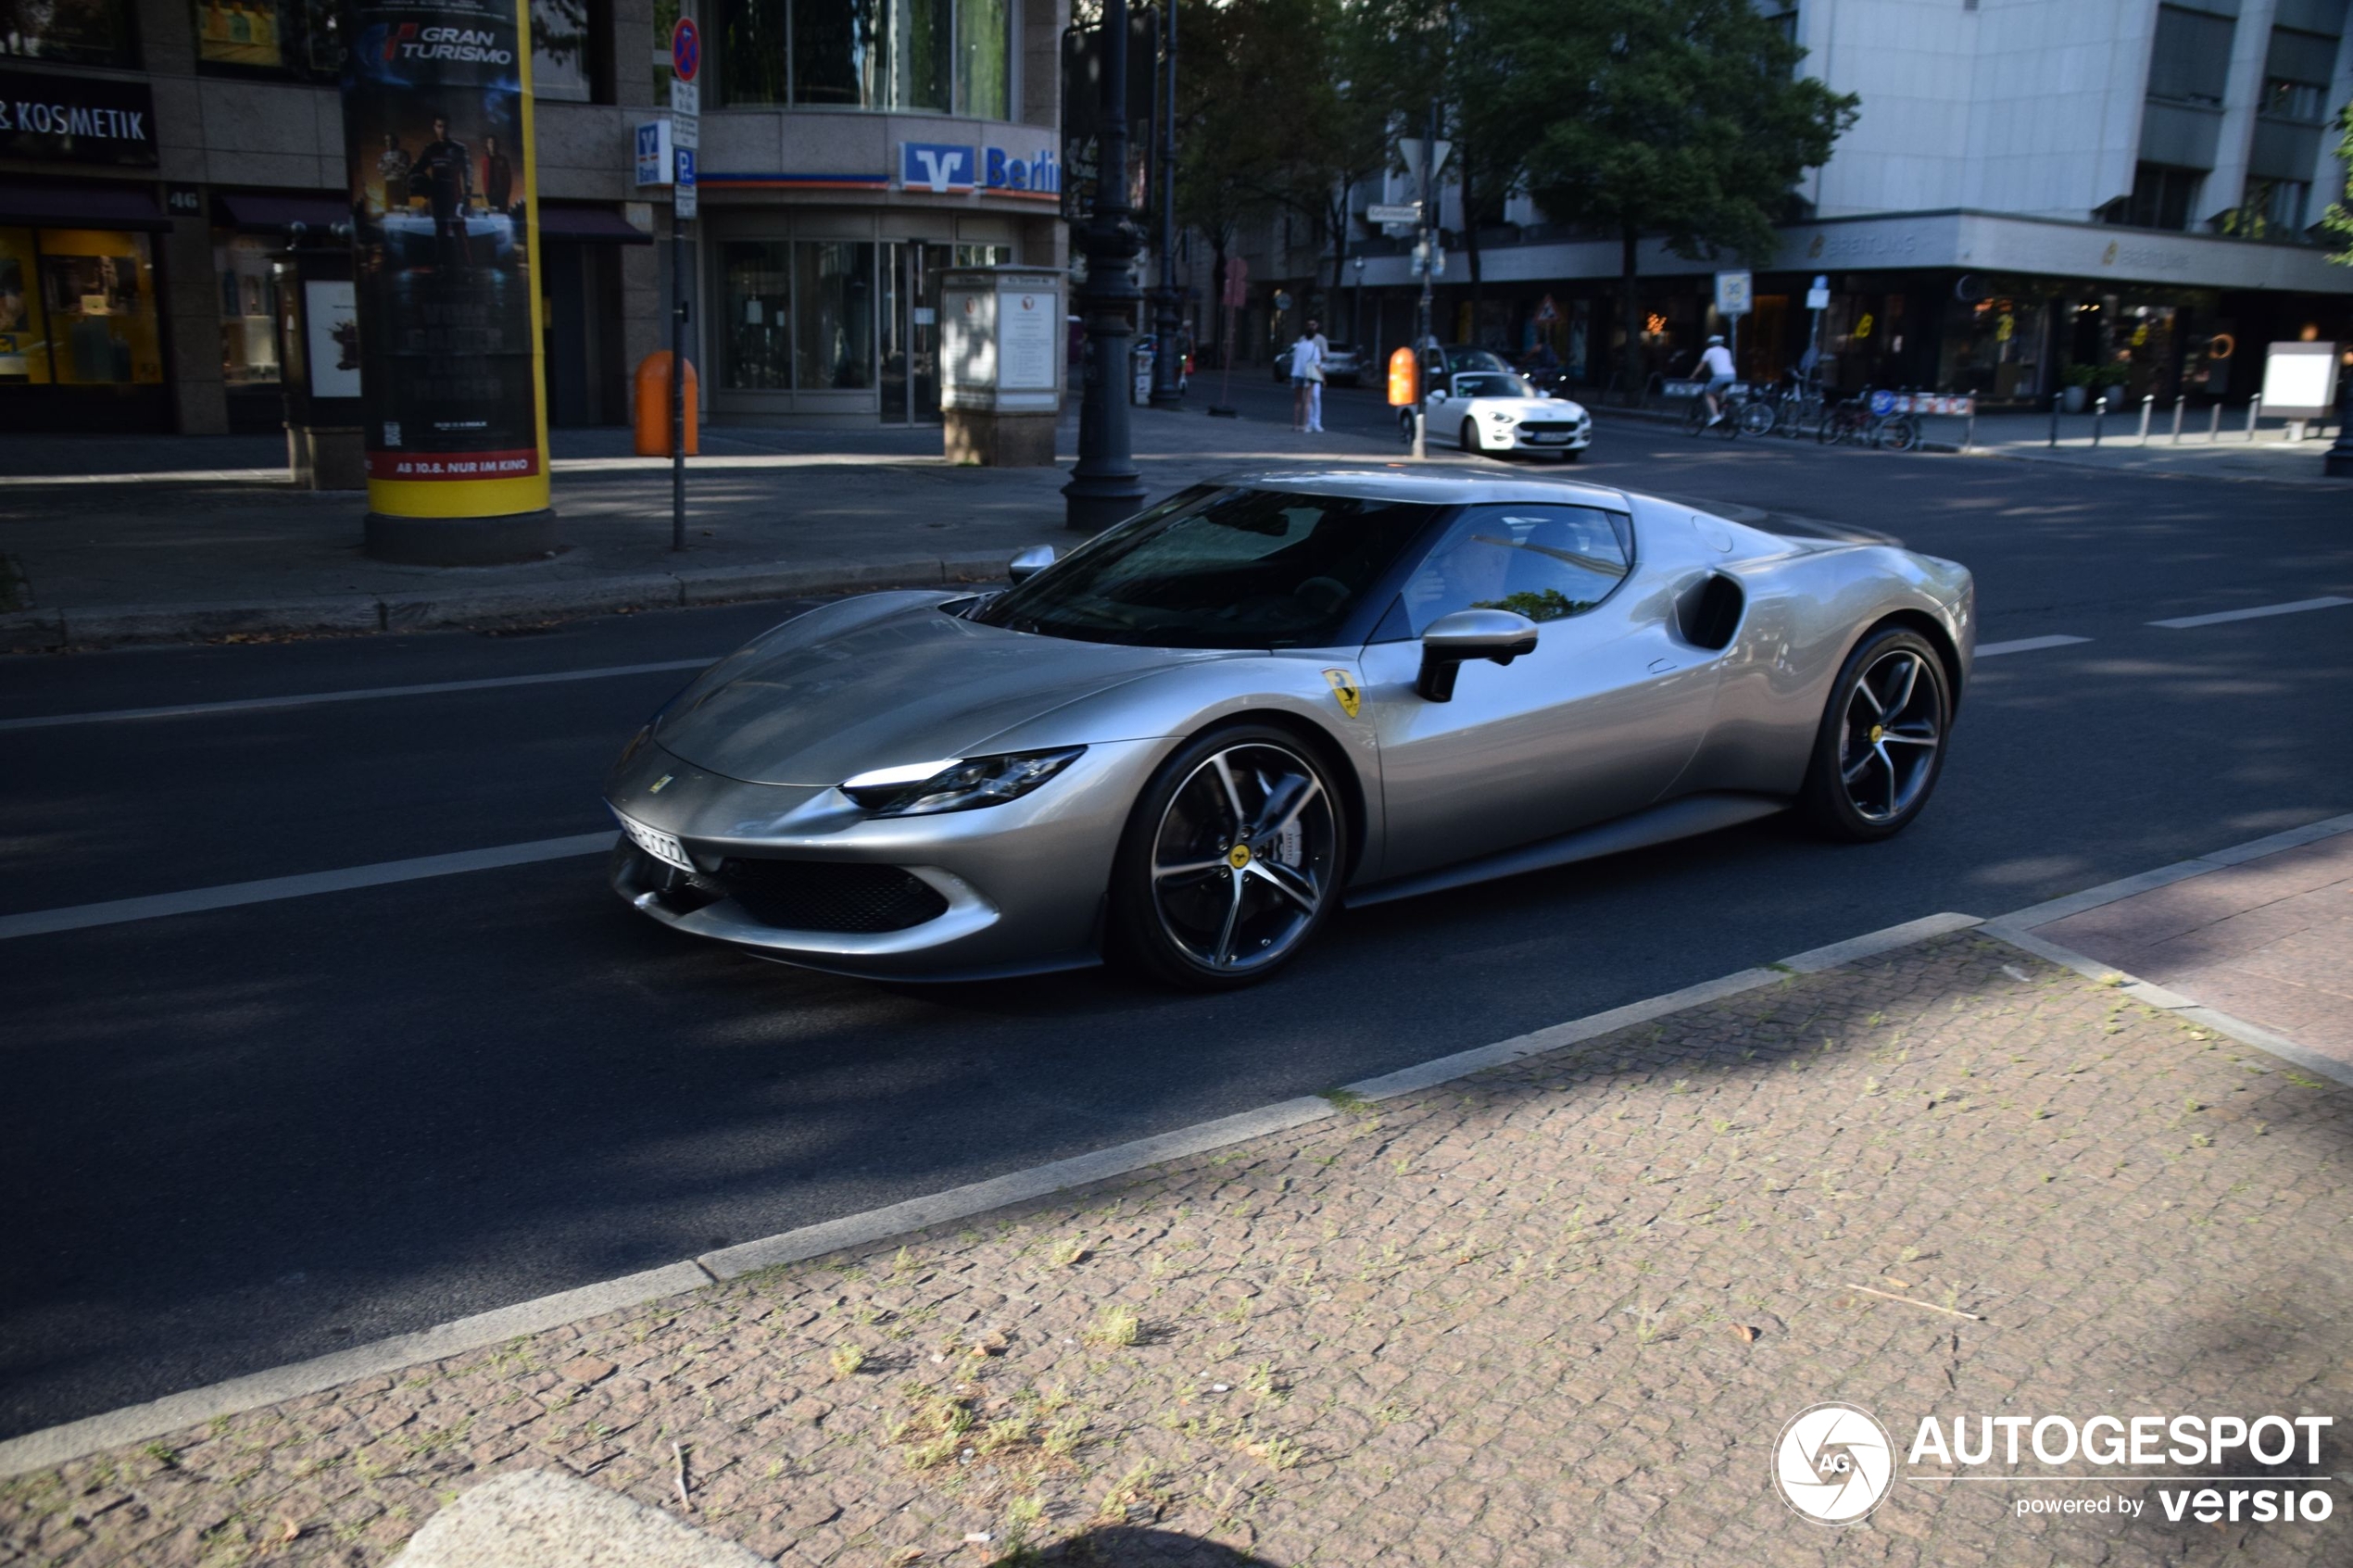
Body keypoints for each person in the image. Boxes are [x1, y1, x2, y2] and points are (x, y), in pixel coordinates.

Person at [413, 114, 474, 270]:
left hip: (455, 194)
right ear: (435, 128)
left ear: (449, 128)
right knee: (440, 230)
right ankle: (443, 263)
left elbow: (468, 173)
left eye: (445, 126)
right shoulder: (431, 149)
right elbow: (417, 169)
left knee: (459, 229)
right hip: (438, 194)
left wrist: (466, 196)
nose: (442, 130)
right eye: (439, 126)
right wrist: (424, 187)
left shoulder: (459, 149)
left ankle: (467, 265)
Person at [1287, 325, 1323, 432]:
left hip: (1297, 374)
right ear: (1313, 336)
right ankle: (1305, 425)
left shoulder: (1298, 346)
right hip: (1308, 375)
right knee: (1307, 401)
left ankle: (1295, 424)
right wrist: (1322, 376)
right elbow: (1317, 363)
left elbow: (1294, 358)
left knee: (1297, 401)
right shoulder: (1314, 347)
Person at [1695, 332, 1737, 424]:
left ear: (1711, 343)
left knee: (1708, 394)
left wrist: (1693, 375)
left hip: (1720, 376)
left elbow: (1701, 365)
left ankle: (1715, 416)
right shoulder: (1727, 351)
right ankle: (1723, 409)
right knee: (1721, 390)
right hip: (1732, 375)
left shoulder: (1709, 351)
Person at [376, 132, 411, 214]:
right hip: (389, 183)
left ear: (396, 141)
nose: (388, 143)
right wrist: (392, 166)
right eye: (386, 141)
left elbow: (404, 167)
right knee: (390, 207)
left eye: (391, 141)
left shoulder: (403, 154)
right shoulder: (383, 156)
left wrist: (393, 166)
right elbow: (381, 169)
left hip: (401, 183)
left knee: (402, 207)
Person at [1305, 318, 1329, 433]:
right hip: (1305, 370)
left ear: (1317, 326)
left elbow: (1325, 355)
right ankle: (1309, 422)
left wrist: (1315, 358)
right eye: (1309, 324)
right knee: (1307, 398)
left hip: (1316, 369)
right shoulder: (1302, 339)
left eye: (1313, 324)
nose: (1311, 326)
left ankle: (1317, 422)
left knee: (1316, 397)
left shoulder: (1321, 339)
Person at [481, 134, 513, 214]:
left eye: (494, 143)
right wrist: (486, 192)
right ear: (487, 145)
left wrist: (506, 193)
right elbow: (484, 177)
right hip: (489, 193)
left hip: (501, 193)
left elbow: (508, 178)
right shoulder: (485, 160)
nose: (492, 145)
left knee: (502, 214)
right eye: (490, 143)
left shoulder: (502, 159)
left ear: (497, 145)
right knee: (492, 214)